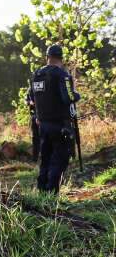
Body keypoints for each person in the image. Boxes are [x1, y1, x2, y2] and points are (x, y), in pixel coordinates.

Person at [31, 44, 80, 194]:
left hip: (42, 125)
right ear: (61, 58)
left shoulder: (36, 74)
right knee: (59, 159)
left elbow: (31, 99)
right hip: (60, 125)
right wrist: (77, 95)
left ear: (47, 57)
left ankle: (42, 193)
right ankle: (52, 194)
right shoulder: (62, 74)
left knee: (45, 159)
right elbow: (68, 97)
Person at [25, 85, 40, 162]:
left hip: (43, 115)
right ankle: (35, 158)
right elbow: (26, 100)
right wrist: (29, 102)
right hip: (34, 115)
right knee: (35, 138)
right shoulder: (31, 88)